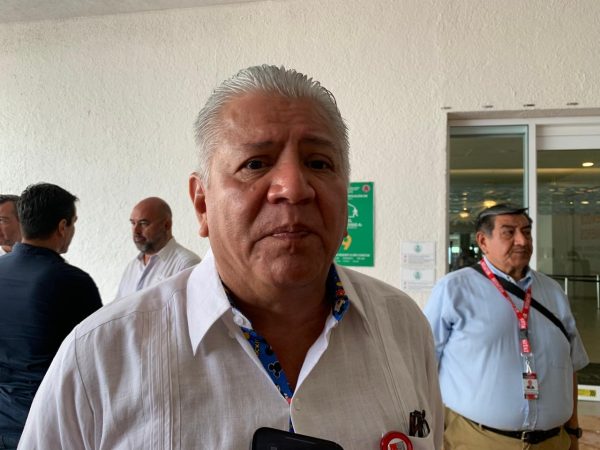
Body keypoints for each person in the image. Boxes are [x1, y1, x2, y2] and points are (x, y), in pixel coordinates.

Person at [18, 65, 443, 450]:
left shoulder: (403, 326)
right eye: (255, 164)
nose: (294, 188)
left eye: (319, 162)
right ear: (202, 204)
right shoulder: (99, 357)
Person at [424, 204, 589, 450]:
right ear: (483, 241)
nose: (522, 241)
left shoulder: (553, 291)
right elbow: (423, 363)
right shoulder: (453, 290)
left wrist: (573, 431)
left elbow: (571, 365)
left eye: (526, 232)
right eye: (509, 232)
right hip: (476, 441)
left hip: (553, 442)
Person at [0, 183, 102, 449]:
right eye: (73, 223)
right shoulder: (72, 282)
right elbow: (98, 357)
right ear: (62, 227)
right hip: (44, 425)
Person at [115, 196, 201, 299]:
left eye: (143, 223)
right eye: (133, 223)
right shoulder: (132, 267)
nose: (136, 230)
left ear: (166, 225)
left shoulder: (187, 265)